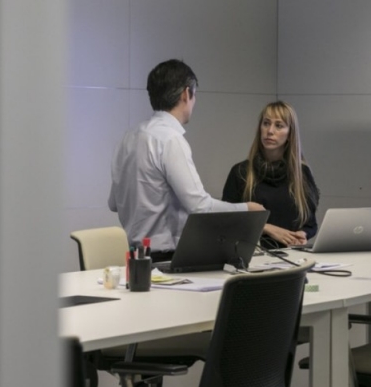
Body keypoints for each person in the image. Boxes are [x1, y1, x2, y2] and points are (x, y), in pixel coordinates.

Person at [109, 59, 264, 260]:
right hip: (166, 259)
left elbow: (114, 203)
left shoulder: (128, 137)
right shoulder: (170, 139)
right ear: (186, 93)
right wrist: (247, 209)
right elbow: (200, 207)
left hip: (134, 259)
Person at [222, 101, 319, 247]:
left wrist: (302, 234)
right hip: (253, 258)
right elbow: (226, 219)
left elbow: (310, 224)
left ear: (290, 133)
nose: (270, 131)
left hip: (292, 256)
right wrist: (266, 227)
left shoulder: (302, 173)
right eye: (266, 123)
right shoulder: (241, 172)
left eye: (279, 125)